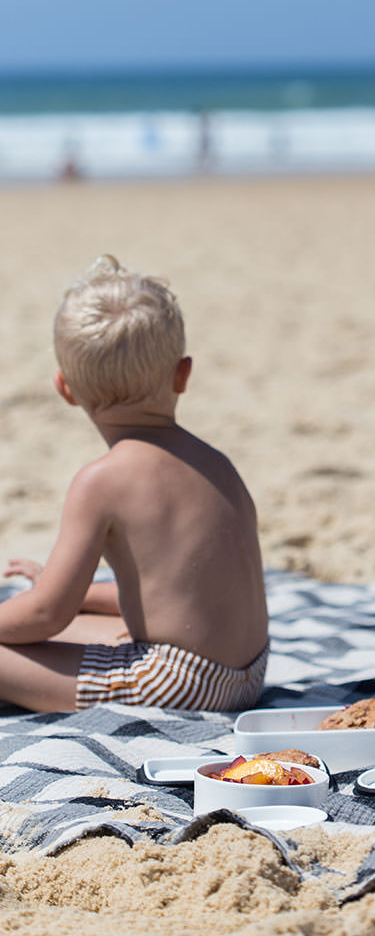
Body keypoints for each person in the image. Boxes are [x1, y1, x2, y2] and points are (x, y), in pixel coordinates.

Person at [0, 256, 269, 713]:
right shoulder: (217, 464)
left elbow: (47, 613)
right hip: (247, 673)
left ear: (66, 389)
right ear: (182, 374)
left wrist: (49, 595)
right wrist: (77, 596)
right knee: (83, 624)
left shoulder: (100, 480)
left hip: (178, 684)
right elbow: (182, 589)